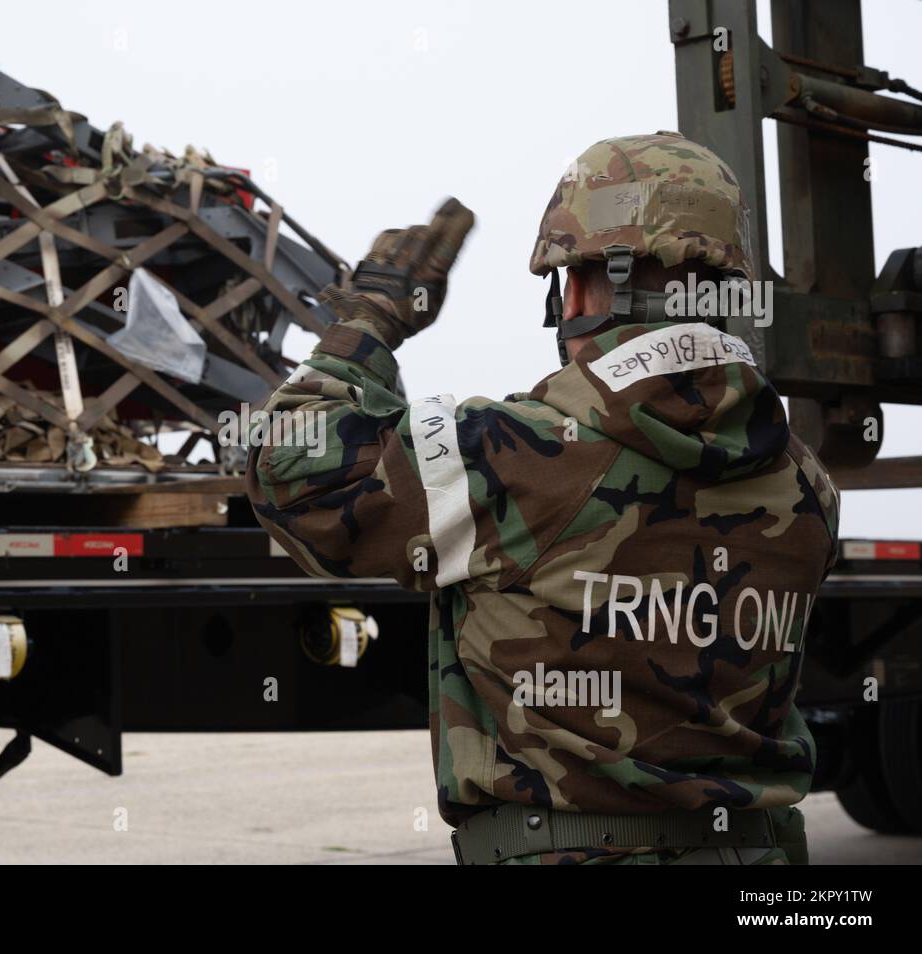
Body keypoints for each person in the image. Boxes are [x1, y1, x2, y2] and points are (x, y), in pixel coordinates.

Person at [244, 132, 840, 864]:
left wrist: (370, 317)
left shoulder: (507, 454)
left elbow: (289, 468)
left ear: (590, 288)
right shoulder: (809, 486)